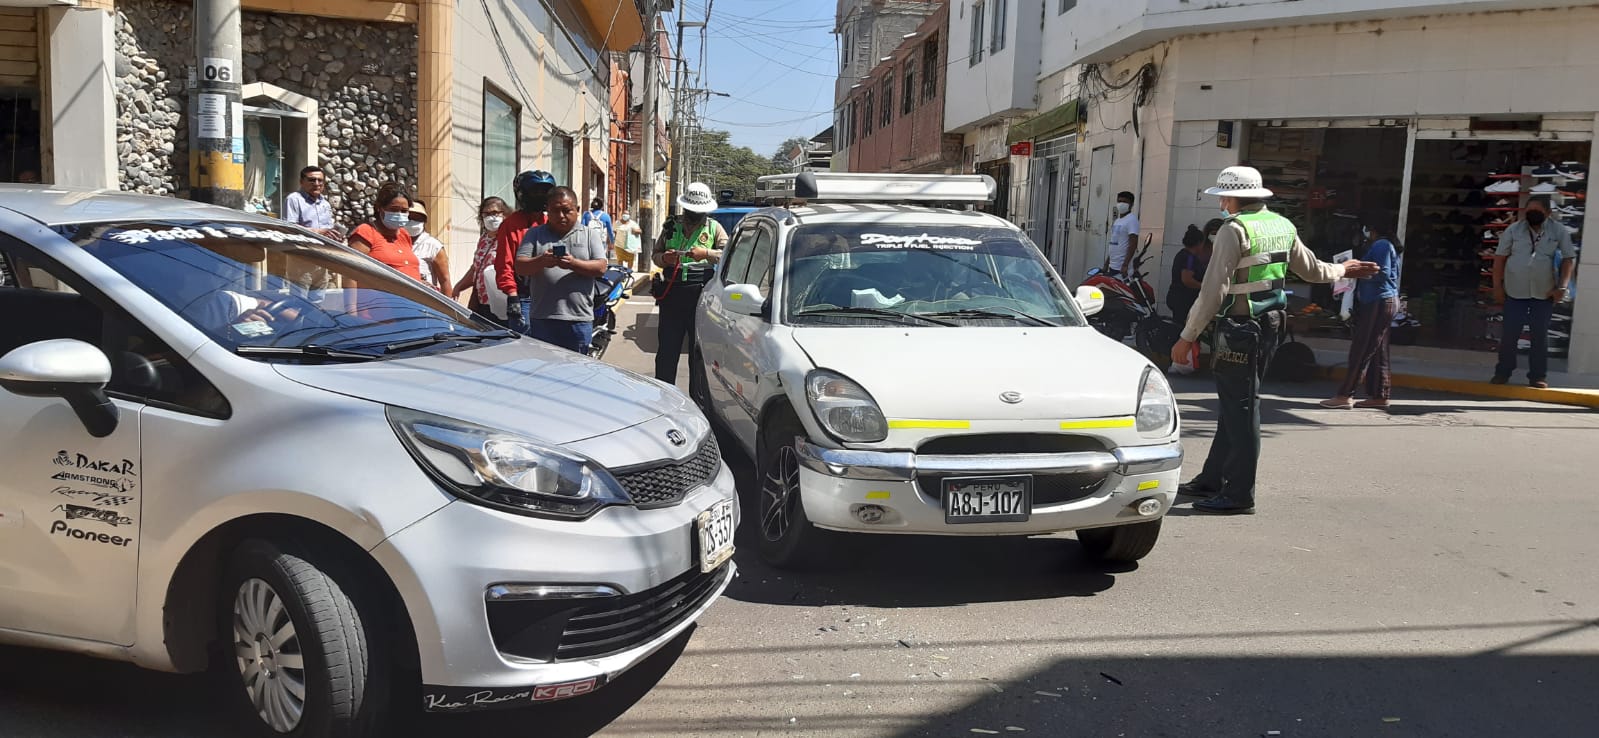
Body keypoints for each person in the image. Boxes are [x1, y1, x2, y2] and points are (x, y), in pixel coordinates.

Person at [1171, 166, 1380, 515]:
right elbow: (1312, 270)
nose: (1221, 202)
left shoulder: (1232, 230)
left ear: (1236, 197)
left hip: (1239, 328)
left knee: (1241, 407)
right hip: (1270, 324)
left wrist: (1186, 336)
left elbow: (1213, 290)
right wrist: (1344, 269)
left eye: (1223, 196)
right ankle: (1211, 479)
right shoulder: (1282, 225)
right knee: (1236, 404)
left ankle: (1239, 493)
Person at [1491, 196, 1576, 389]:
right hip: (1515, 291)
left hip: (1544, 293)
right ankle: (1502, 372)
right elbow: (1499, 259)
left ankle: (1538, 376)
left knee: (1539, 336)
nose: (1532, 214)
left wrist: (1562, 287)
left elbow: (1568, 259)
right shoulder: (1513, 230)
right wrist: (1497, 287)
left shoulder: (1558, 230)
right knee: (1510, 335)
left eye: (1537, 210)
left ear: (1547, 212)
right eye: (1529, 210)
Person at [1322, 215, 1404, 409]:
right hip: (1382, 300)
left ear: (1372, 229)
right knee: (1378, 350)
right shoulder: (1386, 245)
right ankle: (1380, 394)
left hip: (1378, 300)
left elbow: (1381, 272)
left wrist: (1354, 271)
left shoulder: (1381, 245)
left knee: (1362, 348)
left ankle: (1345, 394)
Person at [514, 187, 608, 353]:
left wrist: (572, 263)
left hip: (578, 319)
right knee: (543, 371)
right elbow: (520, 266)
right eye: (555, 211)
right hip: (543, 319)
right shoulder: (534, 234)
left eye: (567, 210)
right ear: (547, 210)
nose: (561, 216)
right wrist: (541, 260)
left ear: (577, 210)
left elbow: (600, 267)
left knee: (575, 373)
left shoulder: (589, 235)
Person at [652, 182, 728, 384]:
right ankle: (664, 396)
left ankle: (698, 401)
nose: (695, 215)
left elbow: (728, 255)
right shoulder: (671, 226)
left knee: (698, 352)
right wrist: (664, 259)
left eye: (699, 211)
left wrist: (706, 254)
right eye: (692, 210)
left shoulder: (714, 228)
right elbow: (655, 255)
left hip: (700, 295)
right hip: (671, 294)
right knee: (667, 351)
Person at [494, 170, 557, 334]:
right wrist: (512, 295)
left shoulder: (552, 221)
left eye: (544, 192)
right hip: (525, 296)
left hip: (552, 295)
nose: (540, 196)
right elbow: (504, 263)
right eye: (535, 191)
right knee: (526, 347)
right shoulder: (511, 225)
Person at [348, 182, 422, 281]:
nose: (399, 214)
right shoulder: (366, 232)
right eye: (394, 209)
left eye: (404, 211)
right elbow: (351, 274)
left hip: (412, 295)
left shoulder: (404, 234)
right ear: (380, 208)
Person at [455, 196, 510, 322]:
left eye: (496, 213)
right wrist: (459, 286)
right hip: (483, 302)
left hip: (502, 303)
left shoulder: (509, 238)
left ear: (505, 215)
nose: (492, 217)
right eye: (487, 214)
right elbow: (476, 267)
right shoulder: (483, 239)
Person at [405, 198, 453, 296]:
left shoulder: (434, 246)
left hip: (425, 300)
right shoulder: (394, 241)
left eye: (417, 218)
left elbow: (444, 281)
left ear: (424, 221)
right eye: (409, 217)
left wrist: (448, 308)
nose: (412, 221)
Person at [1166, 224, 1211, 326]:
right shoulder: (1189, 258)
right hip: (1183, 300)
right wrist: (1204, 286)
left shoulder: (1182, 254)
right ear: (1199, 243)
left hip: (1177, 297)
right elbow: (1187, 280)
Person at [283, 166, 340, 239]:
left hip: (325, 247)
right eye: (312, 180)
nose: (316, 184)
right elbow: (290, 228)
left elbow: (328, 228)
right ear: (301, 182)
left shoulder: (325, 204)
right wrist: (319, 232)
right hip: (303, 247)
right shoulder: (294, 199)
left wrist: (336, 235)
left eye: (320, 180)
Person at [1108, 190, 1139, 275]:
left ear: (1131, 204)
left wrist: (1125, 264)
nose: (1121, 204)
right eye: (1119, 201)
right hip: (1113, 265)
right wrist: (1107, 263)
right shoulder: (1117, 221)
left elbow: (1133, 243)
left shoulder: (1132, 220)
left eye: (1125, 202)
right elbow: (1113, 243)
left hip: (1122, 268)